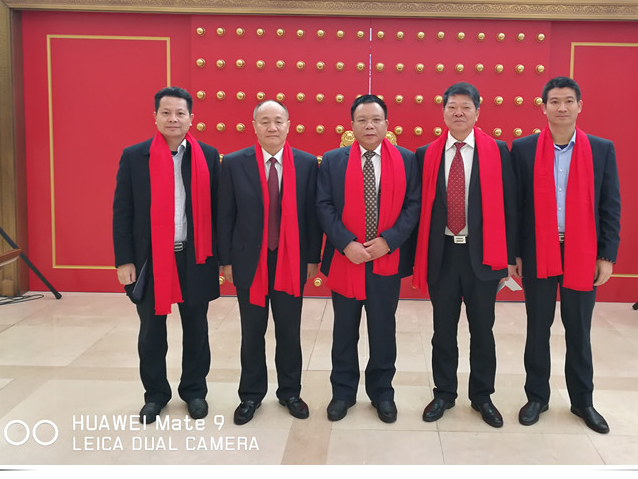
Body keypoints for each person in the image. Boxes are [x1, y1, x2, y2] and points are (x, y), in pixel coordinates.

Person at [510, 76, 620, 434]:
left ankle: (583, 401)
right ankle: (536, 397)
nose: (561, 107)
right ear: (544, 107)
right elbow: (516, 207)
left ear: (579, 106)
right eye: (554, 101)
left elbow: (610, 206)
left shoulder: (601, 149)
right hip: (538, 251)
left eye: (568, 101)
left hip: (582, 252)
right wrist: (515, 253)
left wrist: (607, 255)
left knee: (579, 330)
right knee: (537, 328)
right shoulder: (523, 149)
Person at [113, 86, 220, 424]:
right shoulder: (135, 156)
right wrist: (124, 260)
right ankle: (155, 395)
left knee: (196, 329)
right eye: (166, 113)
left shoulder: (208, 156)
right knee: (151, 331)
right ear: (155, 117)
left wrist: (222, 258)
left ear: (191, 118)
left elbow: (219, 211)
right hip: (149, 259)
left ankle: (194, 391)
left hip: (194, 257)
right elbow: (122, 211)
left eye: (180, 113)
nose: (173, 119)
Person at [413, 82, 517, 428]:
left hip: (483, 256)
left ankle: (482, 395)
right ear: (443, 112)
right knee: (442, 330)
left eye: (466, 107)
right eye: (452, 107)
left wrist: (509, 257)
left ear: (477, 112)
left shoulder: (496, 150)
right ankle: (444, 393)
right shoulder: (426, 154)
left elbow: (510, 206)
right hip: (443, 255)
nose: (458, 113)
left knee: (482, 330)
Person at [316, 94, 421, 423]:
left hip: (385, 260)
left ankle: (382, 393)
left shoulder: (406, 160)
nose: (369, 126)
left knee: (383, 330)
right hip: (345, 259)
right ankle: (343, 393)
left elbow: (413, 206)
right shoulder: (333, 160)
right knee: (344, 332)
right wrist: (346, 243)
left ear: (387, 124)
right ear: (352, 125)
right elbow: (323, 206)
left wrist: (389, 241)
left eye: (376, 120)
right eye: (362, 120)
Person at [217, 100, 322, 425]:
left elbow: (312, 216)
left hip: (291, 260)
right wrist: (226, 261)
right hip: (250, 262)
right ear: (254, 126)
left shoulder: (307, 163)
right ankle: (250, 395)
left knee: (289, 331)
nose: (272, 127)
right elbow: (225, 215)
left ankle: (290, 392)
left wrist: (312, 258)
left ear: (289, 125)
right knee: (252, 332)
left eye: (278, 120)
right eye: (265, 121)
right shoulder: (234, 163)